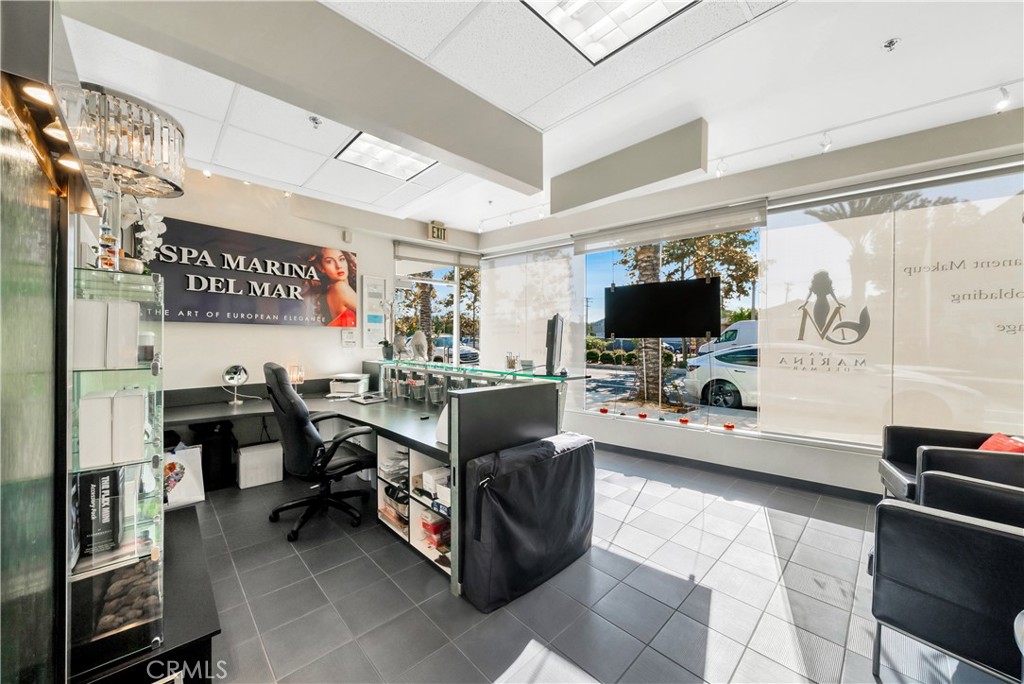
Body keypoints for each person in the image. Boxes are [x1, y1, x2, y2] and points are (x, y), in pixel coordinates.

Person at [308, 247, 358, 327]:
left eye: (341, 259)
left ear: (347, 261)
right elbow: (370, 313)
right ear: (321, 268)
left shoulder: (331, 291)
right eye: (329, 261)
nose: (338, 266)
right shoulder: (340, 288)